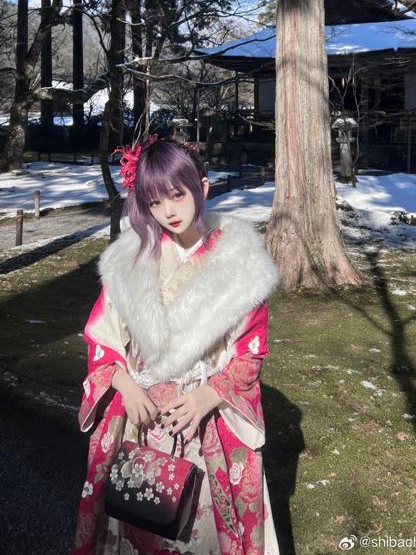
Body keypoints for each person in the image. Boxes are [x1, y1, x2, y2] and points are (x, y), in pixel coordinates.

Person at [72, 136, 280, 555]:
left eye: (177, 195)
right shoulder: (130, 262)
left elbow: (251, 352)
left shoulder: (239, 264)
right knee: (136, 522)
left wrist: (208, 395)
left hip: (201, 421)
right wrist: (126, 387)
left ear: (202, 187)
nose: (168, 211)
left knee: (196, 532)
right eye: (155, 202)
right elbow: (101, 341)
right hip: (140, 421)